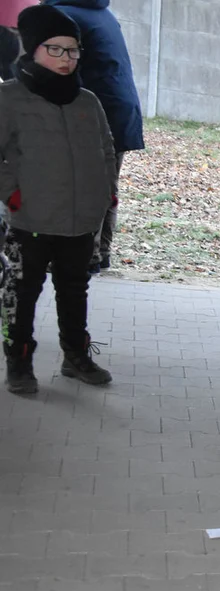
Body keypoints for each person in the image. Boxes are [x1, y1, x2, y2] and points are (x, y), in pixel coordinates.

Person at [1, 5, 117, 395]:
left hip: (79, 220)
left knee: (74, 290)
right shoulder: (10, 99)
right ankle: (18, 362)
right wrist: (11, 193)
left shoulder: (87, 102)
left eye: (72, 50)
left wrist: (103, 194)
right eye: (56, 49)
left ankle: (76, 356)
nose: (66, 59)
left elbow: (105, 150)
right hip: (28, 219)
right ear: (32, 49)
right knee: (21, 293)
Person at [43, 0, 144, 273]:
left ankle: (83, 258)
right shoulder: (100, 12)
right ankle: (98, 254)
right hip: (118, 110)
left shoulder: (63, 16)